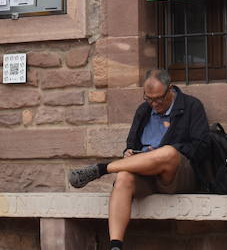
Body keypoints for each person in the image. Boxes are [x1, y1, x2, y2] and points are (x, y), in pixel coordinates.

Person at [66, 69, 209, 250]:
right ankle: (116, 246)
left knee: (168, 153)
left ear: (170, 89)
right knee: (123, 177)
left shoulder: (191, 106)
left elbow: (201, 147)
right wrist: (129, 152)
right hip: (146, 174)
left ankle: (103, 169)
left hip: (176, 175)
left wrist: (162, 152)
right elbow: (131, 142)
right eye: (148, 99)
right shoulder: (144, 110)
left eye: (158, 99)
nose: (154, 104)